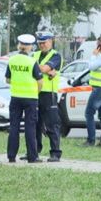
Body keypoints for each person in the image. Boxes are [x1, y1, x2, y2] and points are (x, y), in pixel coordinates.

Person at [5, 34, 43, 163]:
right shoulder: (32, 62)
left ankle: (11, 156)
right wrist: (36, 92)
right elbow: (40, 81)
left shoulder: (12, 60)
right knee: (30, 127)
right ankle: (32, 157)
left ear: (19, 46)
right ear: (30, 47)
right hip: (30, 98)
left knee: (14, 127)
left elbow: (7, 79)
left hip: (15, 97)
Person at [33, 32, 63, 162]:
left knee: (52, 125)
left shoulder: (56, 56)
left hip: (49, 94)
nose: (41, 45)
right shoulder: (35, 55)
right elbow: (43, 69)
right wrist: (44, 70)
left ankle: (55, 152)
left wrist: (39, 69)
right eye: (39, 43)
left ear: (50, 42)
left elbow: (44, 68)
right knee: (35, 125)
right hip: (35, 93)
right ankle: (34, 151)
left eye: (44, 42)